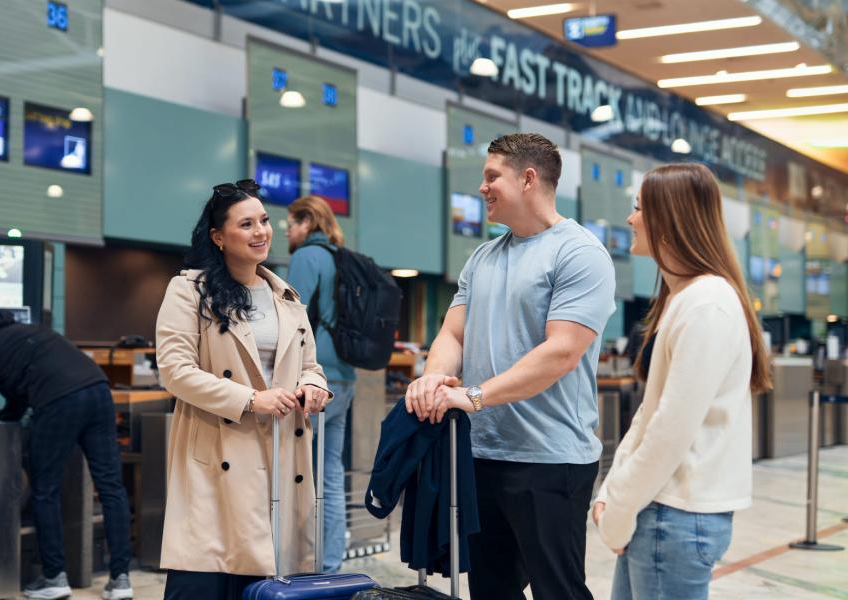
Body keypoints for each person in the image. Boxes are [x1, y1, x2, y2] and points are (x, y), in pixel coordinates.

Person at [405, 133, 616, 600]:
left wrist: (474, 396)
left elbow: (561, 351)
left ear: (528, 178)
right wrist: (435, 377)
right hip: (483, 454)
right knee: (491, 589)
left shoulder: (580, 254)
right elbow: (452, 333)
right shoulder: (483, 256)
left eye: (491, 176)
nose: (482, 188)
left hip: (550, 459)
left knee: (556, 589)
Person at [592, 163, 772, 600]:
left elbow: (670, 431)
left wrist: (618, 507)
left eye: (638, 209)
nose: (630, 220)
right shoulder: (687, 298)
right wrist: (613, 493)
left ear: (668, 218)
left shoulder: (707, 305)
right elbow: (651, 413)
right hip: (660, 511)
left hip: (672, 516)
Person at [155, 179, 331, 600]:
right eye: (247, 224)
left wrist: (313, 386)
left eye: (265, 221)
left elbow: (311, 365)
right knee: (205, 579)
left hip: (280, 456)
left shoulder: (287, 297)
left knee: (265, 584)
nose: (261, 232)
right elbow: (175, 371)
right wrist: (251, 399)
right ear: (218, 237)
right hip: (217, 454)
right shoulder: (189, 290)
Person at [0, 310, 133, 600]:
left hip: (59, 401)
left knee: (45, 488)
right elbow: (19, 393)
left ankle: (54, 577)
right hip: (99, 389)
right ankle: (121, 580)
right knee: (111, 486)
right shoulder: (26, 333)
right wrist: (7, 415)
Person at [285, 195, 355, 572]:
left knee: (302, 474)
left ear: (307, 222)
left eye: (290, 225)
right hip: (344, 377)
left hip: (315, 380)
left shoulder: (305, 258)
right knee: (330, 472)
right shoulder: (339, 257)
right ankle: (329, 564)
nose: (287, 233)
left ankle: (306, 562)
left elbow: (290, 320)